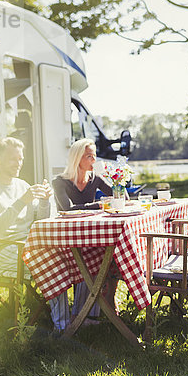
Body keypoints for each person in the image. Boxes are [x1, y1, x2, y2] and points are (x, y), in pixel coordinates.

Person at [51, 138, 119, 328]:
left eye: (94, 156)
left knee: (109, 253)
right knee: (90, 257)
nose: (93, 161)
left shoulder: (94, 179)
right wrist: (98, 205)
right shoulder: (60, 182)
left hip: (89, 236)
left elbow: (116, 194)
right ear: (77, 158)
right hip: (65, 238)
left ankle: (91, 311)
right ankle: (83, 314)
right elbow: (67, 209)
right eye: (90, 156)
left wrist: (118, 182)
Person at [0, 137, 51, 275]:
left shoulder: (23, 185)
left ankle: (80, 298)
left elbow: (39, 223)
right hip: (5, 251)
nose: (18, 163)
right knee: (53, 265)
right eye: (12, 159)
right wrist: (22, 201)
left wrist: (45, 201)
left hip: (29, 246)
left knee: (74, 258)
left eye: (20, 159)